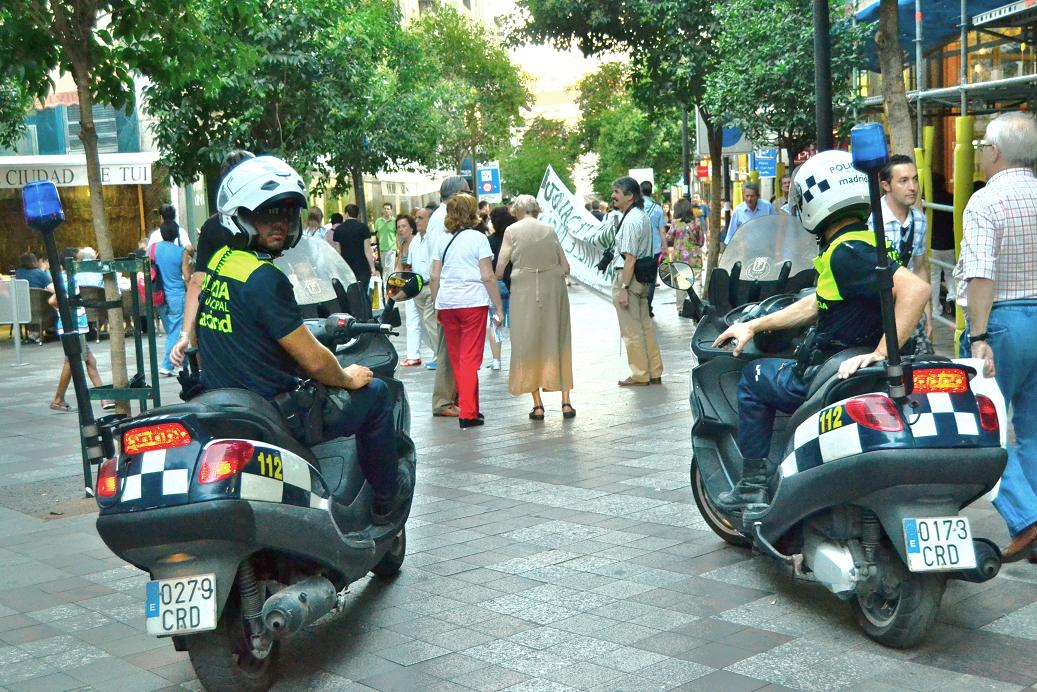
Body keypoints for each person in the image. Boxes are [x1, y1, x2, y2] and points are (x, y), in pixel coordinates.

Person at [712, 150, 930, 512]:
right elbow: (818, 303)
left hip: (831, 368)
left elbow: (916, 290)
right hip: (847, 363)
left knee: (753, 377)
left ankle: (751, 484)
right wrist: (753, 324)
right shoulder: (862, 240)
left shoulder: (848, 252)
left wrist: (879, 353)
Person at [198, 155, 408, 524]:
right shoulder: (265, 278)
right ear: (241, 216)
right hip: (278, 415)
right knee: (375, 395)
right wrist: (346, 377)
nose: (278, 224)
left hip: (227, 404)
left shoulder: (221, 263)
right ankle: (385, 504)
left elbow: (246, 329)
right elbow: (313, 361)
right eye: (266, 214)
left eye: (286, 214)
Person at [954, 111, 1037, 562]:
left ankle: (1026, 518)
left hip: (1003, 321)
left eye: (984, 146)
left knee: (984, 427)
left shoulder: (987, 202)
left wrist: (979, 334)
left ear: (996, 153)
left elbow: (980, 274)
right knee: (1035, 431)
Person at [170, 149, 255, 368]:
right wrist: (186, 334)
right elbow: (197, 283)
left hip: (220, 333)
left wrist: (185, 334)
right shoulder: (264, 226)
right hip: (250, 333)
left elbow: (197, 283)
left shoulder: (213, 225)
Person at [429, 193, 505, 429]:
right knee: (470, 359)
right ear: (472, 212)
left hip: (447, 304)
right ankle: (469, 413)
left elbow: (434, 275)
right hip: (472, 303)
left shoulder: (442, 240)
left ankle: (470, 406)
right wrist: (498, 306)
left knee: (456, 357)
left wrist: (436, 304)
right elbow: (487, 275)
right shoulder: (478, 238)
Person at [496, 195, 574, 420]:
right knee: (558, 339)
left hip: (524, 292)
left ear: (517, 211)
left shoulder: (511, 232)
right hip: (553, 291)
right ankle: (566, 402)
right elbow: (566, 266)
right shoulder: (549, 230)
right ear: (536, 210)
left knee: (526, 342)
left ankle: (538, 405)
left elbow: (500, 269)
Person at [869, 154, 933, 355]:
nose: (912, 187)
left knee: (921, 364)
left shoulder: (919, 220)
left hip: (909, 305)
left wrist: (927, 313)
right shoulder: (872, 219)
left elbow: (920, 266)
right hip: (877, 308)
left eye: (915, 179)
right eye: (903, 181)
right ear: (886, 185)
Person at [611, 177, 664, 387]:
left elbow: (630, 258)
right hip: (642, 279)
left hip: (630, 280)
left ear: (630, 196)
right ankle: (654, 371)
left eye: (617, 192)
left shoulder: (632, 220)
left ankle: (640, 374)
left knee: (632, 329)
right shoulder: (639, 216)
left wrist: (623, 288)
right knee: (645, 326)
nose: (613, 196)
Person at [426, 177, 472, 417]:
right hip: (448, 294)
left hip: (449, 293)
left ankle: (450, 397)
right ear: (455, 195)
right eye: (467, 192)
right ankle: (443, 400)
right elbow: (438, 265)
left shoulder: (444, 217)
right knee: (447, 349)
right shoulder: (442, 220)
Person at [48, 265, 114, 412]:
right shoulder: (68, 281)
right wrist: (64, 311)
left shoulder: (69, 279)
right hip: (74, 327)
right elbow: (53, 300)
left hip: (76, 326)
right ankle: (58, 399)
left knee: (90, 360)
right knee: (71, 361)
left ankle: (104, 398)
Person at [153, 222, 190, 376]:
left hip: (158, 294)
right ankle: (168, 364)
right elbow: (187, 276)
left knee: (172, 330)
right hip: (176, 294)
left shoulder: (153, 249)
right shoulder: (181, 252)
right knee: (177, 330)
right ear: (177, 235)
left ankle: (181, 363)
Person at [408, 203, 441, 373]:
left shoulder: (432, 238)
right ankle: (437, 354)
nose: (417, 221)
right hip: (418, 287)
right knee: (425, 323)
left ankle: (441, 356)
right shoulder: (415, 240)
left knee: (430, 321)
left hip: (430, 285)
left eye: (421, 218)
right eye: (416, 218)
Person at [485, 205, 516, 371]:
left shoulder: (489, 241)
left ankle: (496, 360)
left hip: (495, 285)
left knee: (495, 321)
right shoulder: (514, 237)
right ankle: (517, 358)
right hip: (513, 283)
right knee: (515, 323)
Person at [395, 213, 427, 367]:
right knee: (414, 320)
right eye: (399, 227)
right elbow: (400, 267)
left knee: (420, 321)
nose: (401, 230)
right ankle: (413, 354)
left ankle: (415, 354)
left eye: (404, 226)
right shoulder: (402, 244)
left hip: (416, 284)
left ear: (411, 227)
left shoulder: (416, 242)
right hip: (408, 285)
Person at [667, 198, 705, 312]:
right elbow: (701, 241)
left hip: (679, 258)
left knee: (680, 286)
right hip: (694, 258)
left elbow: (668, 237)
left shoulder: (675, 223)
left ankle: (681, 308)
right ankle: (696, 308)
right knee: (695, 284)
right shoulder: (697, 222)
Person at [333, 204, 376, 298]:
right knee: (363, 295)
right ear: (358, 214)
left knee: (349, 295)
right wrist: (372, 267)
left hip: (346, 267)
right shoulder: (363, 228)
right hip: (362, 267)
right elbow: (367, 250)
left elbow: (338, 252)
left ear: (346, 214)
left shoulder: (338, 230)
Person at [928, 172, 956, 317]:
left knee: (934, 277)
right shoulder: (951, 199)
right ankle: (952, 299)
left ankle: (936, 309)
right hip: (949, 242)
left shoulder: (927, 200)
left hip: (932, 244)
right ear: (944, 183)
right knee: (951, 274)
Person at [640, 181, 666, 317]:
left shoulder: (636, 208)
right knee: (651, 280)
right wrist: (665, 248)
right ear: (651, 192)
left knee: (639, 278)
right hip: (654, 249)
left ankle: (639, 305)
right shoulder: (658, 209)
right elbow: (662, 231)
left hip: (639, 249)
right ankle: (647, 307)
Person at [373, 203, 397, 284]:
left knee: (390, 269)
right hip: (381, 249)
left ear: (391, 211)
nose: (386, 210)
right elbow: (376, 234)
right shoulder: (378, 221)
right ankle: (386, 288)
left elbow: (397, 235)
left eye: (388, 209)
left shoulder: (394, 221)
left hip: (391, 248)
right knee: (384, 269)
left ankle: (390, 287)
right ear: (382, 210)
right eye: (385, 209)